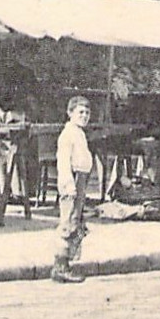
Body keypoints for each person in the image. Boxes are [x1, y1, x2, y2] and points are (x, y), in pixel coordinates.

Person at [53, 95, 95, 284]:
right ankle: (60, 267)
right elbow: (63, 162)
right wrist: (68, 186)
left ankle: (67, 262)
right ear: (70, 113)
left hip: (81, 180)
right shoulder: (67, 134)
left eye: (87, 113)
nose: (84, 116)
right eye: (80, 112)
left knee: (76, 223)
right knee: (68, 223)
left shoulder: (79, 133)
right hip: (72, 181)